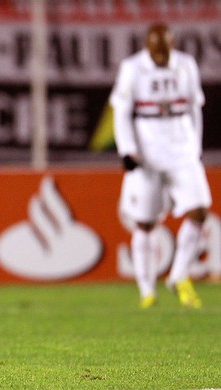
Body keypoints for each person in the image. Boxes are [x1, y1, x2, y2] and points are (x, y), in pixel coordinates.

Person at [110, 23, 209, 309]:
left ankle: (178, 277)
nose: (162, 56)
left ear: (171, 45)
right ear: (147, 47)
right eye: (157, 51)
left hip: (182, 152)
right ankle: (147, 291)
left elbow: (193, 108)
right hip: (147, 154)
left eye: (165, 50)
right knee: (145, 222)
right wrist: (127, 149)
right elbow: (122, 112)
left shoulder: (186, 65)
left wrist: (195, 147)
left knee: (199, 211)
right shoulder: (132, 68)